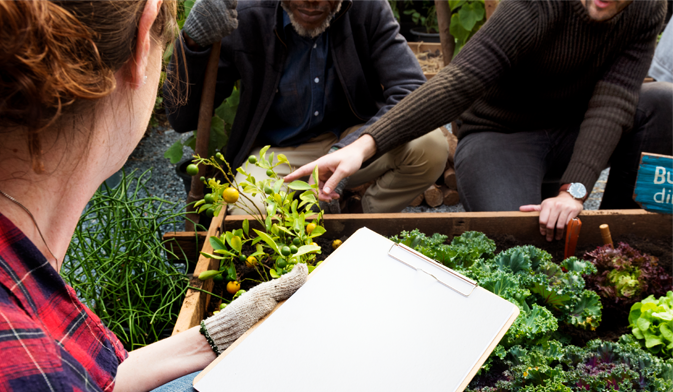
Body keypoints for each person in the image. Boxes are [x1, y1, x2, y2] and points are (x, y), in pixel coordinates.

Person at [0, 0, 390, 392]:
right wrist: (192, 46)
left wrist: (210, 340)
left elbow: (86, 375)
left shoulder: (7, 267)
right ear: (145, 37)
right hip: (280, 152)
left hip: (339, 143)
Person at [285, 0, 673, 241]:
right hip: (502, 135)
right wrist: (363, 146)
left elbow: (614, 100)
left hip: (575, 130)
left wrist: (575, 190)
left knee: (661, 102)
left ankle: (622, 238)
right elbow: (460, 81)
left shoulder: (646, 7)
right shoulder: (535, 6)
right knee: (518, 242)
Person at [165, 0, 449, 214]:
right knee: (246, 210)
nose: (312, 0)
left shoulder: (367, 7)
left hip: (354, 138)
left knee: (430, 145)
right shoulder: (247, 15)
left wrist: (352, 147)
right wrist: (192, 44)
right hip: (279, 153)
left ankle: (359, 220)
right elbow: (183, 118)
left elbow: (412, 90)